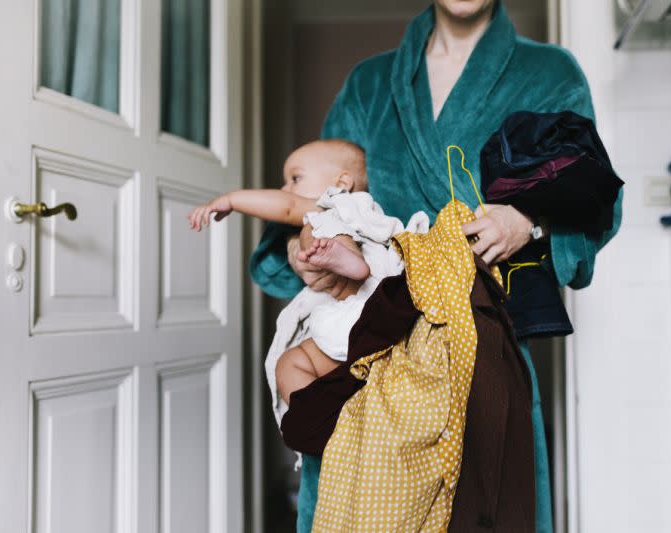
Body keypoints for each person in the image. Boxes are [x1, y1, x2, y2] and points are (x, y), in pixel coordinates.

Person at [250, 1, 623, 531]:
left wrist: (528, 219)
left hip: (480, 349)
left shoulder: (549, 74)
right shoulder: (369, 84)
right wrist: (300, 250)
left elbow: (596, 202)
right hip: (363, 351)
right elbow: (315, 200)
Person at [188, 139, 427, 412]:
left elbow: (287, 206)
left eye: (295, 178)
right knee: (288, 363)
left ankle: (348, 257)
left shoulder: (338, 204)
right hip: (353, 323)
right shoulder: (365, 215)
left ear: (342, 182)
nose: (286, 188)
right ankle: (319, 415)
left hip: (368, 285)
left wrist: (231, 200)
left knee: (315, 226)